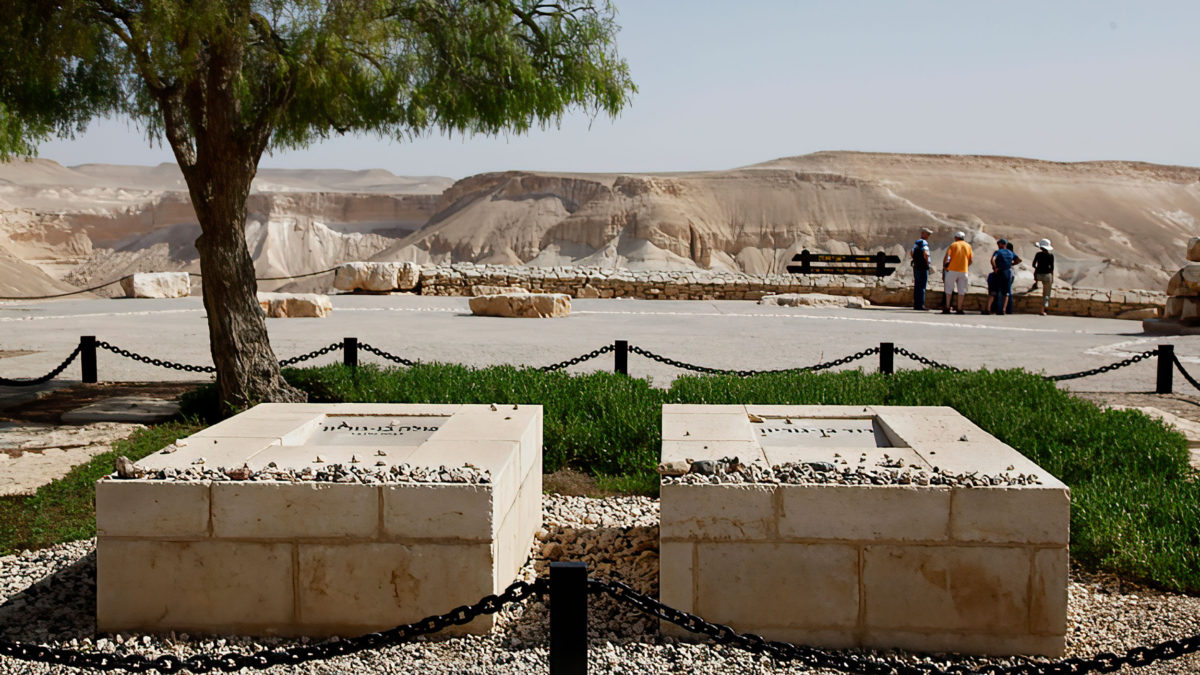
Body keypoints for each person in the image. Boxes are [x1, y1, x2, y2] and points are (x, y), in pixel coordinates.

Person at [941, 231, 972, 314]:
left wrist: (944, 266)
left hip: (952, 269)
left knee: (949, 289)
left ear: (956, 238)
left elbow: (947, 256)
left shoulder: (953, 245)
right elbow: (970, 260)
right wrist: (965, 265)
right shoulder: (968, 246)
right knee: (961, 290)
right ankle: (959, 308)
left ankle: (947, 307)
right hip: (963, 270)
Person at [990, 238, 1021, 315]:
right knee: (1006, 292)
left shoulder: (998, 252)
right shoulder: (1010, 253)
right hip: (1007, 272)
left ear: (1000, 244)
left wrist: (995, 268)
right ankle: (1004, 309)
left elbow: (993, 259)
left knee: (998, 290)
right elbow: (1019, 260)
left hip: (1000, 271)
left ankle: (997, 309)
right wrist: (1011, 264)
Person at [1031, 238, 1055, 315]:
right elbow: (1052, 267)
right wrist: (1052, 277)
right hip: (1047, 275)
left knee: (1037, 275)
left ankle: (1036, 284)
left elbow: (1033, 265)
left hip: (1038, 275)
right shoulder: (1050, 256)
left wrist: (1038, 268)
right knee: (1046, 294)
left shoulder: (1038, 254)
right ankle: (1043, 309)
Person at [910, 227, 932, 310]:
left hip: (916, 266)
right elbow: (925, 253)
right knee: (922, 286)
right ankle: (921, 305)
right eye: (927, 234)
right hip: (923, 267)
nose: (928, 236)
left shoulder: (917, 242)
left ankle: (916, 304)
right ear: (923, 234)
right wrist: (926, 263)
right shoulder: (924, 242)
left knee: (917, 285)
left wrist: (915, 260)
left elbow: (911, 252)